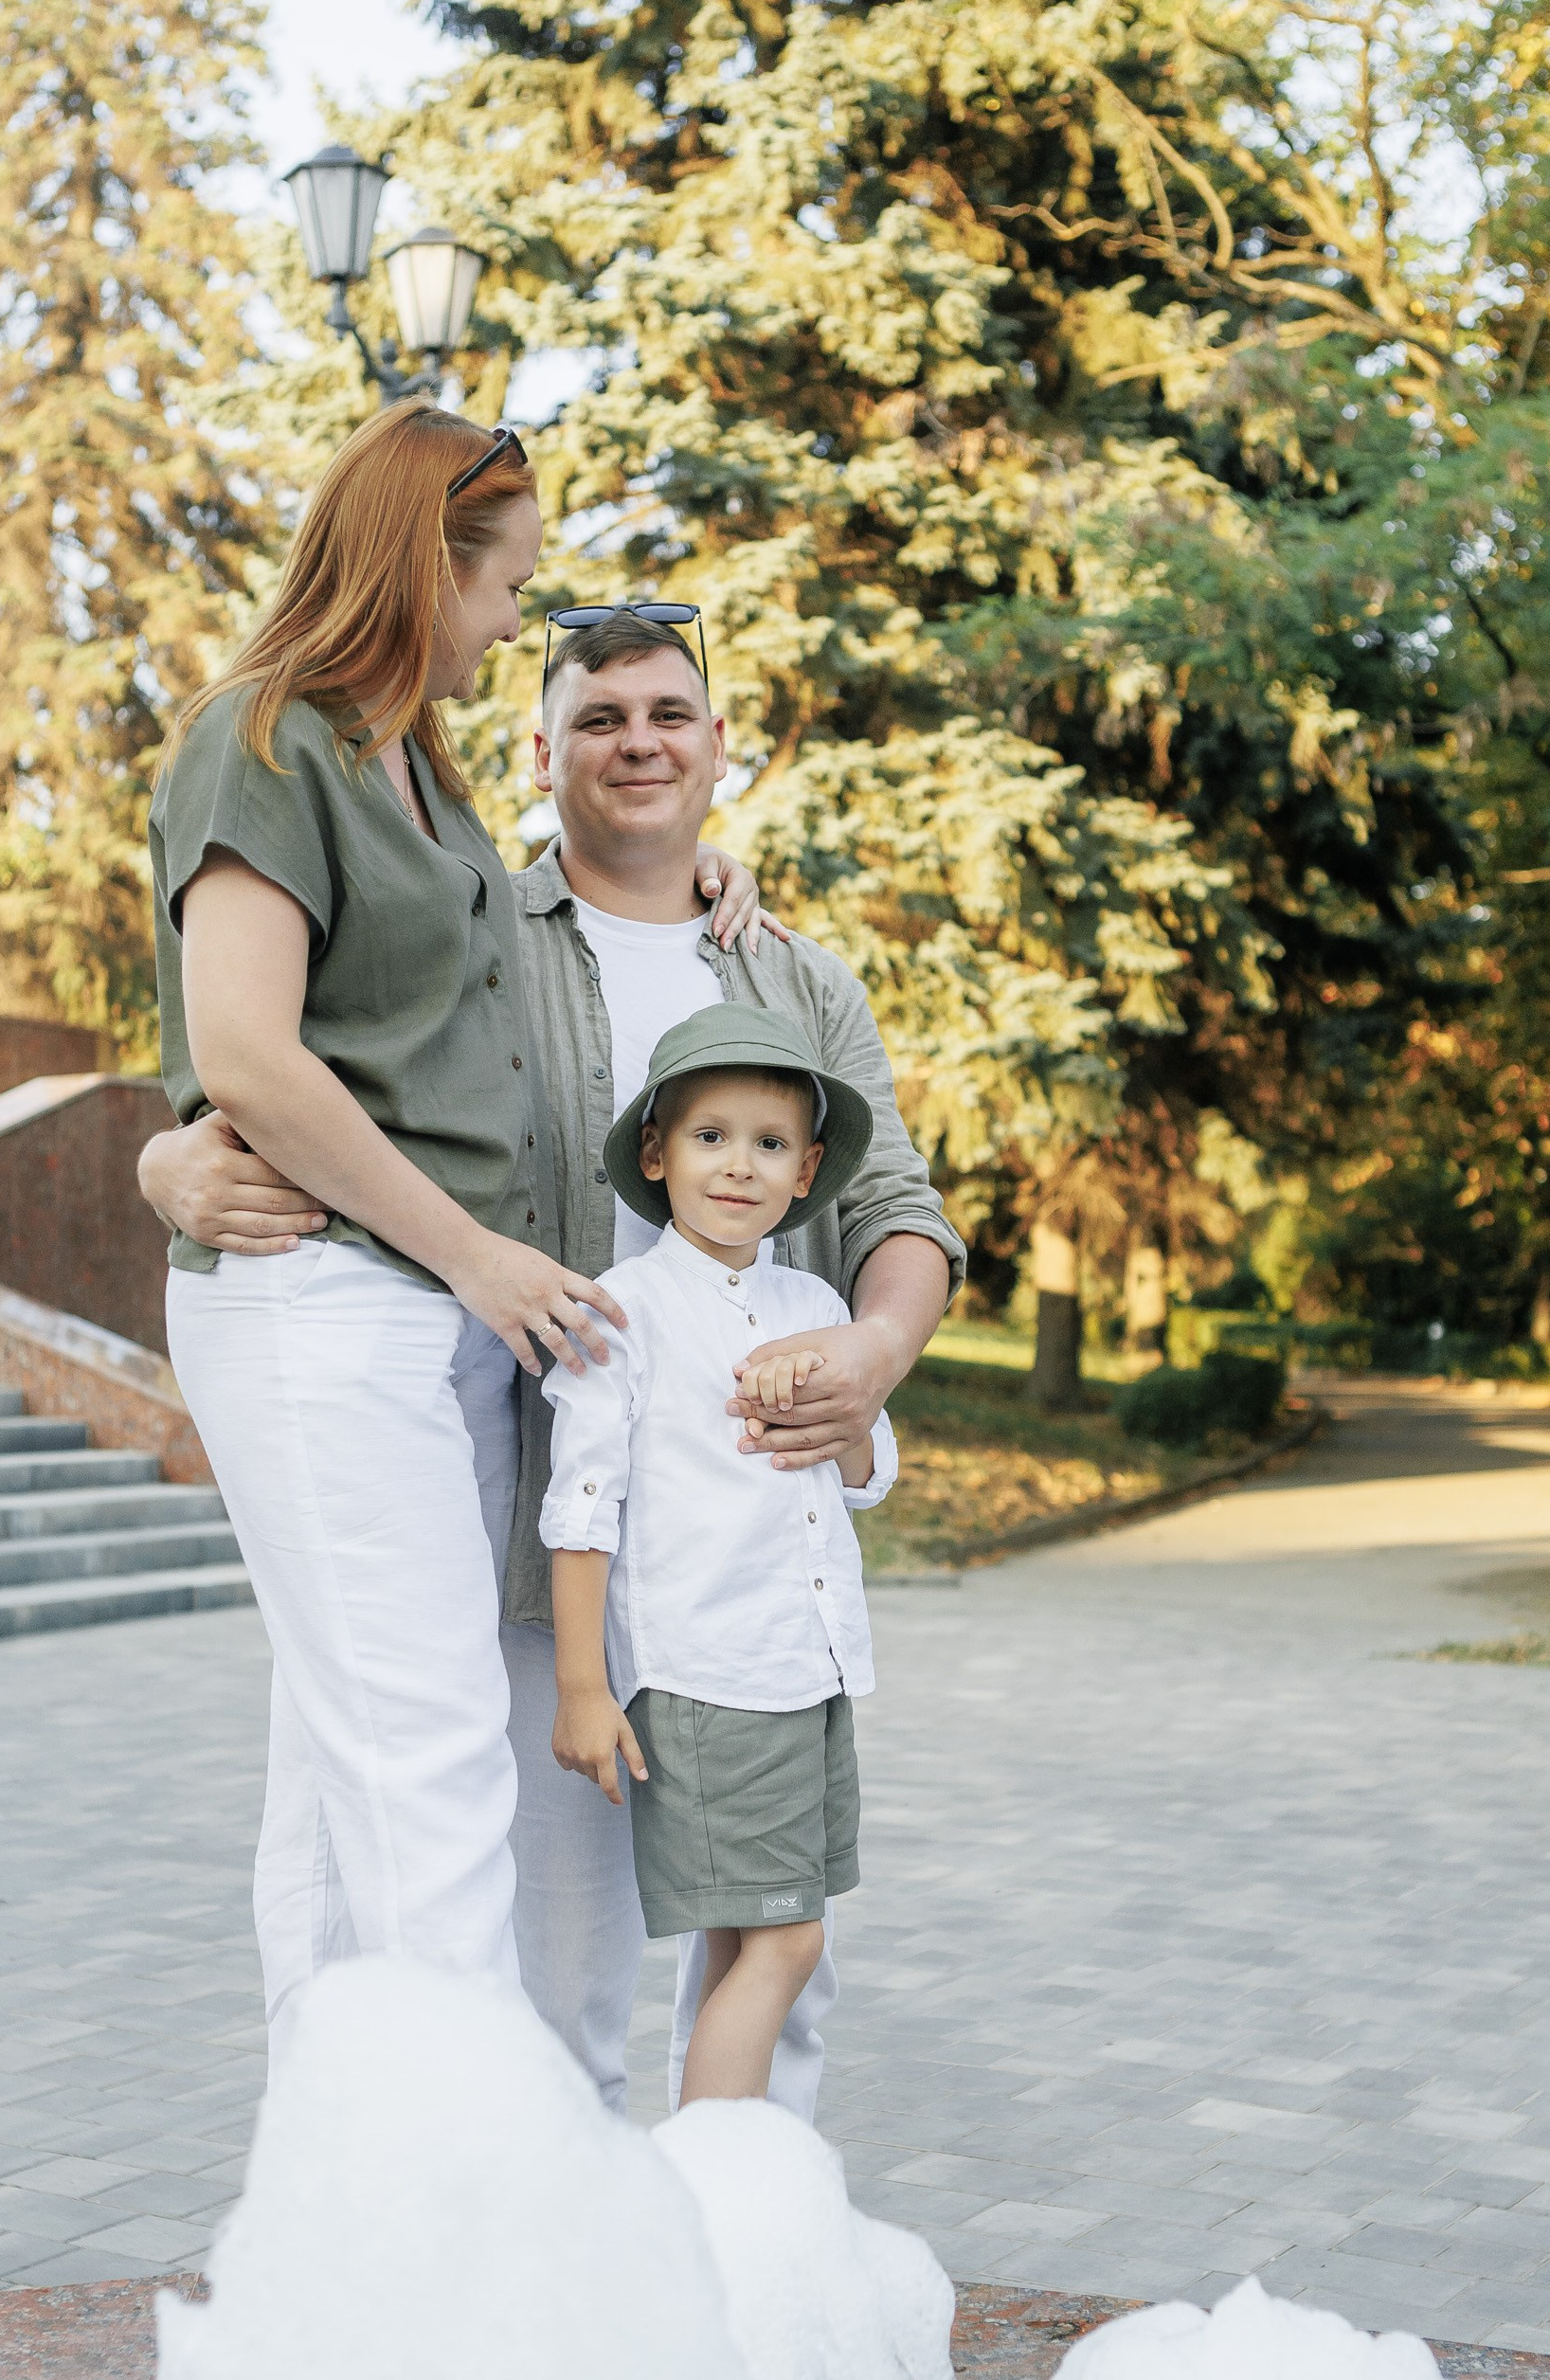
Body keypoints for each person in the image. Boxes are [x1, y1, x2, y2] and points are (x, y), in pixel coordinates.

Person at [141, 604, 964, 2107]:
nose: (638, 741)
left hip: (745, 1571)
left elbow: (896, 1211)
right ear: (537, 752)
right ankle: (567, 2292)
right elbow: (288, 1066)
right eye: (598, 717)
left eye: (669, 713)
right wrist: (166, 1158)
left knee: (775, 1953)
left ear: (722, 748)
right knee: (548, 1964)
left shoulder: (796, 979)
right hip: (535, 1549)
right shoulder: (468, 937)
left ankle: (745, 2278)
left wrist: (876, 1348)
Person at [145, 409, 769, 2067]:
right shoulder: (262, 739)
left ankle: (336, 2208)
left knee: (336, 1775)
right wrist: (477, 1256)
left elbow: (493, 986)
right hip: (321, 1304)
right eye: (505, 586)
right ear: (424, 560)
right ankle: (484, 2233)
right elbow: (248, 1052)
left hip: (429, 1326)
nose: (513, 626)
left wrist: (699, 862)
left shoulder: (414, 769)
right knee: (422, 1761)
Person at [542, 1006, 895, 2100]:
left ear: (806, 1172)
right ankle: (714, 2190)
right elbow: (583, 1506)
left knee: (767, 1943)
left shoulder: (814, 1304)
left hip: (807, 1667)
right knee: (786, 1944)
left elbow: (870, 1470)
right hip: (709, 1681)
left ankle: (723, 2201)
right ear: (656, 1153)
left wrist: (825, 1401)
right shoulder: (625, 1312)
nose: (738, 1164)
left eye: (770, 1144)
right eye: (710, 1137)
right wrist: (580, 1688)